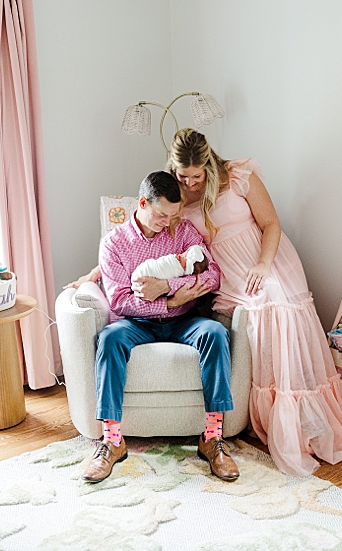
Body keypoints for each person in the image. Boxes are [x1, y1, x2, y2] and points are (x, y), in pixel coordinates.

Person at [166, 128, 342, 476]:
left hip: (268, 259)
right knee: (257, 316)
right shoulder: (174, 196)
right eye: (183, 175)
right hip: (227, 275)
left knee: (276, 304)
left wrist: (262, 264)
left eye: (196, 175)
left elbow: (271, 224)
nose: (190, 183)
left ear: (208, 163)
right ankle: (271, 419)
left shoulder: (239, 175)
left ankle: (306, 424)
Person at [81, 171, 239, 484]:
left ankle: (212, 438)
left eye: (173, 214)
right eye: (161, 214)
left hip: (184, 320)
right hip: (136, 323)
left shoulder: (183, 231)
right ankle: (112, 440)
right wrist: (165, 303)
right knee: (109, 339)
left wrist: (168, 286)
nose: (168, 222)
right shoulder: (114, 244)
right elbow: (120, 300)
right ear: (142, 203)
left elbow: (213, 275)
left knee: (216, 333)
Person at [130, 244, 210, 282]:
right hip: (141, 278)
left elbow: (212, 276)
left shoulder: (186, 229)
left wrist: (167, 285)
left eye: (184, 256)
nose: (179, 255)